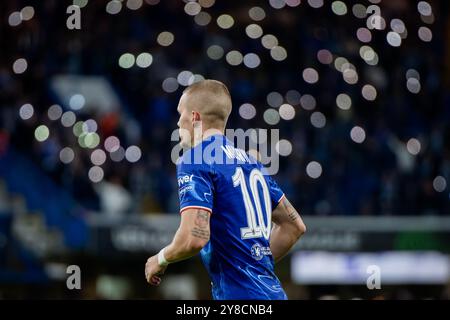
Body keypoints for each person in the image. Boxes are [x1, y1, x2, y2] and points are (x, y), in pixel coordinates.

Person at [145, 79, 306, 299]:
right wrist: (252, 264)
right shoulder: (252, 162)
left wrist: (160, 258)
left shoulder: (196, 159)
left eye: (180, 113)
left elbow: (194, 238)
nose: (178, 122)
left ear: (194, 118)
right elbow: (294, 226)